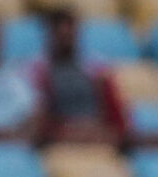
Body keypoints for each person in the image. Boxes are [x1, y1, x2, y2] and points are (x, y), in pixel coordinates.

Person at [32, 8, 129, 147]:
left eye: (70, 34)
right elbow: (39, 122)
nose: (66, 39)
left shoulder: (97, 69)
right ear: (50, 35)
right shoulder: (38, 71)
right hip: (61, 137)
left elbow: (116, 119)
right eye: (60, 35)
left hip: (96, 132)